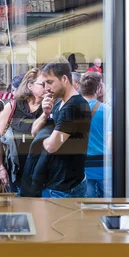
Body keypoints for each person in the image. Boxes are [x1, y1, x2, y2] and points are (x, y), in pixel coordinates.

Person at [22, 59, 91, 198]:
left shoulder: (73, 106)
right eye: (44, 83)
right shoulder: (59, 102)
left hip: (65, 187)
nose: (46, 88)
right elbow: (34, 132)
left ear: (64, 79)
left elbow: (51, 146)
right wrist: (45, 114)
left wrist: (44, 138)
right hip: (56, 182)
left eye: (50, 82)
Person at [0, 68, 46, 192]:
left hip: (42, 173)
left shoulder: (50, 108)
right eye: (43, 84)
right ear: (30, 86)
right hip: (15, 173)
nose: (48, 87)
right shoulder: (12, 107)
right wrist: (1, 167)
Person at [78, 72, 112, 198]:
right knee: (108, 205)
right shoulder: (107, 110)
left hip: (83, 165)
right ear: (98, 89)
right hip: (104, 164)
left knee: (88, 206)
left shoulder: (75, 110)